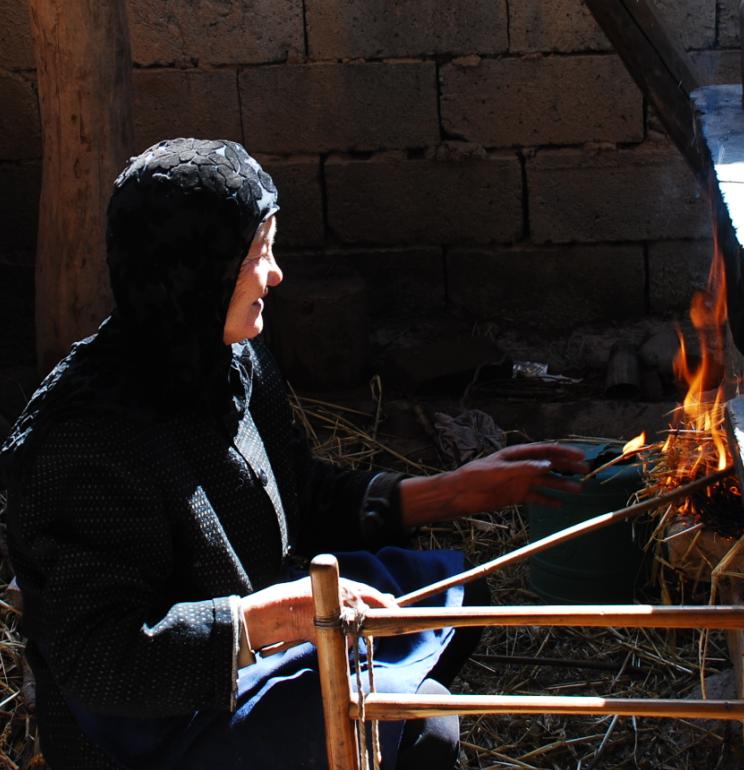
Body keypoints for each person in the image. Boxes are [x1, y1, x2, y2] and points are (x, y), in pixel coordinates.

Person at [0, 138, 588, 770]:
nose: (276, 274)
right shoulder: (85, 439)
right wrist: (277, 616)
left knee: (454, 605)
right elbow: (103, 663)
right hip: (151, 723)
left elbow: (297, 495)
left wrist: (456, 490)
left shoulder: (228, 358)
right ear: (195, 272)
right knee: (425, 723)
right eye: (258, 255)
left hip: (254, 629)